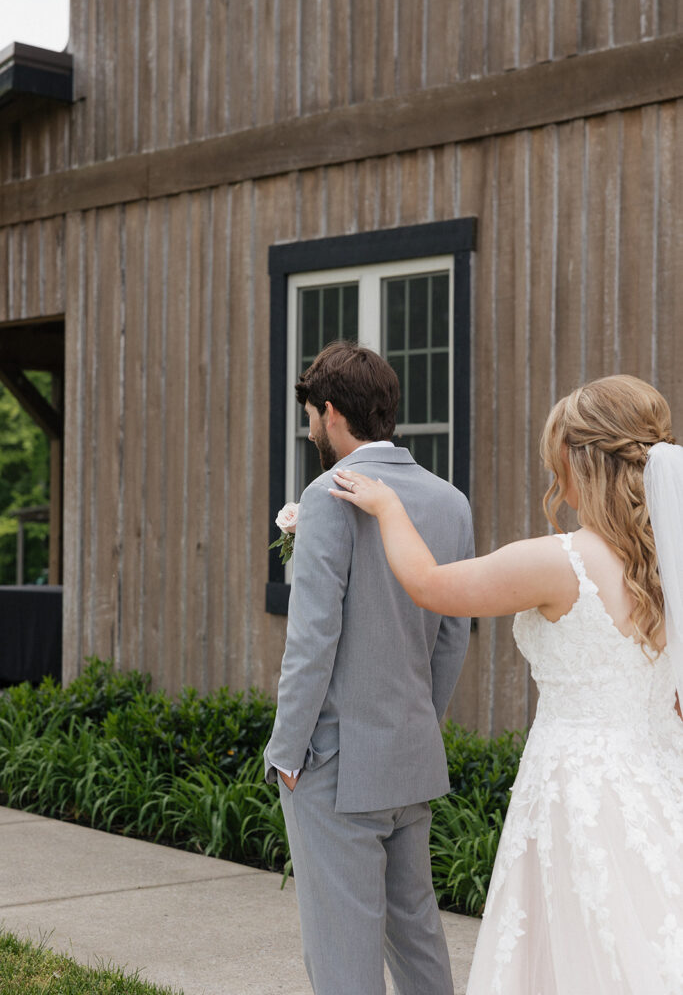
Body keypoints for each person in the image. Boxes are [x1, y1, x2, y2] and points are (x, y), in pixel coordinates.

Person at [331, 374, 683, 995]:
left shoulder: (560, 561)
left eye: (559, 464)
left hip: (578, 787)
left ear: (582, 460)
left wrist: (387, 506)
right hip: (656, 777)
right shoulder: (665, 567)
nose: (556, 482)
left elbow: (430, 586)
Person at [264, 340, 474, 995]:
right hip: (409, 756)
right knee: (416, 935)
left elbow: (313, 637)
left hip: (333, 765)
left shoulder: (328, 494)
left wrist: (287, 752)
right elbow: (453, 636)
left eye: (308, 417)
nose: (308, 430)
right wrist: (416, 722)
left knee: (342, 950)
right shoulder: (449, 502)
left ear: (329, 413)